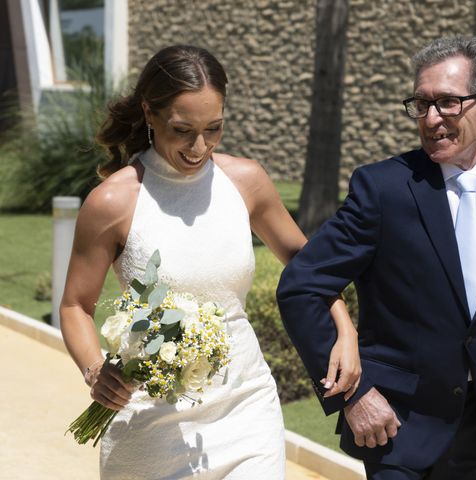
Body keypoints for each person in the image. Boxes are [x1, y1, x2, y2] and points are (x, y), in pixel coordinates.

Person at [277, 35, 476, 480]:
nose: (430, 119)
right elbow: (301, 286)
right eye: (421, 104)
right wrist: (353, 395)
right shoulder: (382, 190)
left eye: (447, 102)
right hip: (392, 425)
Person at [59, 44, 361, 479]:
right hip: (150, 421)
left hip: (246, 406)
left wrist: (345, 330)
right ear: (149, 113)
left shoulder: (246, 182)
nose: (200, 146)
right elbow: (74, 305)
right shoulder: (113, 202)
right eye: (182, 130)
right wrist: (94, 371)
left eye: (214, 128)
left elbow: (306, 263)